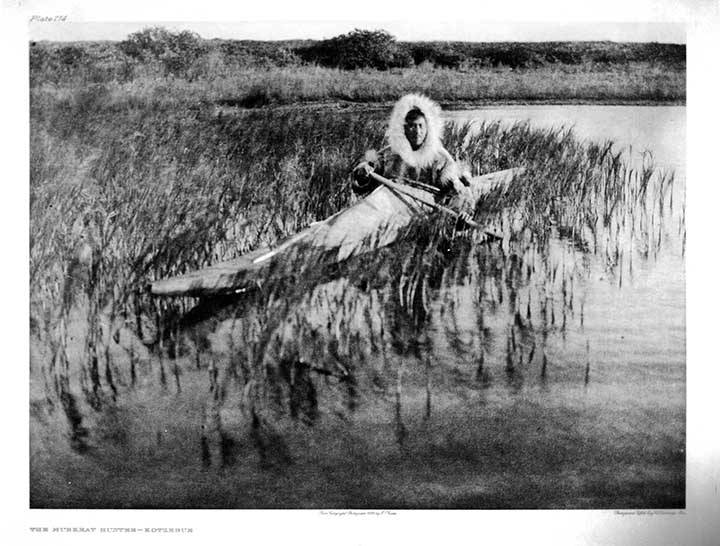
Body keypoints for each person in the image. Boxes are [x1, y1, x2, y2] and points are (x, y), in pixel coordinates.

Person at [352, 94, 470, 205]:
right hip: (389, 206)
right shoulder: (390, 153)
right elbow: (364, 177)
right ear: (404, 128)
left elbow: (456, 191)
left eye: (420, 126)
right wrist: (363, 171)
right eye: (412, 126)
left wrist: (462, 208)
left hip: (422, 208)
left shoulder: (440, 157)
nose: (417, 132)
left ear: (428, 128)